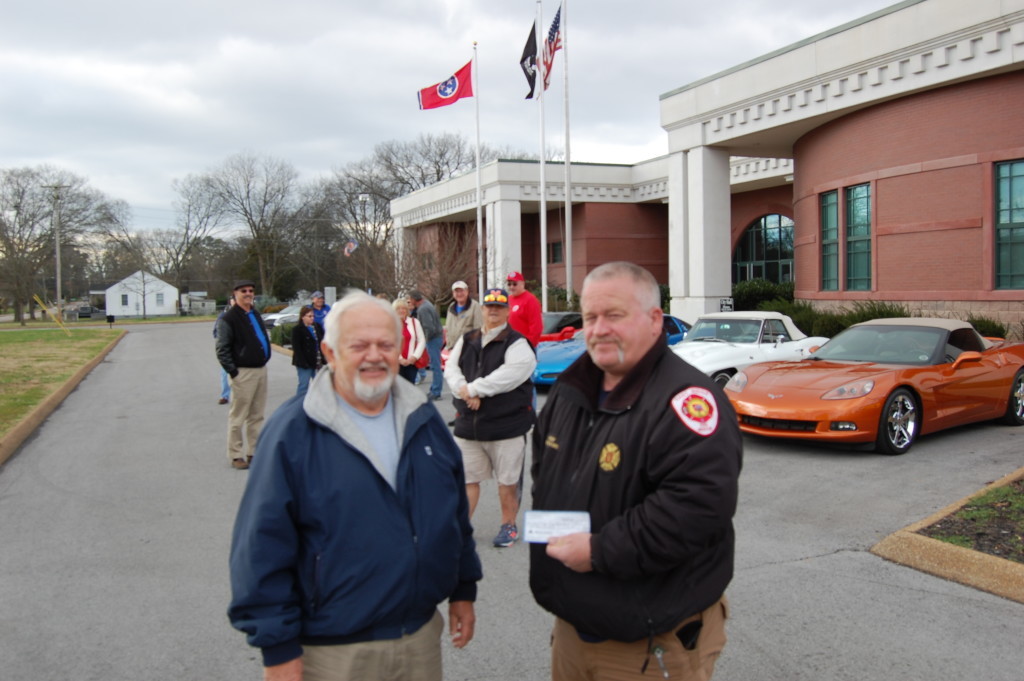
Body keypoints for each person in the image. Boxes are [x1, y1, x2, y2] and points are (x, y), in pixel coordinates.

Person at [228, 291, 481, 681]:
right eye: (358, 345)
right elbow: (261, 545)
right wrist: (277, 648)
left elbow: (453, 513)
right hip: (332, 650)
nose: (374, 355)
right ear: (330, 353)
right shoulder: (292, 432)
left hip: (419, 639)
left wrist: (464, 587)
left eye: (385, 344)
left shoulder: (423, 417)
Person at [529, 262, 743, 681]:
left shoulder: (688, 402)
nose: (599, 328)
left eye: (614, 315)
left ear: (653, 320)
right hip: (573, 628)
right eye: (590, 317)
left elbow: (696, 510)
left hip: (649, 641)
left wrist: (597, 551)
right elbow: (545, 470)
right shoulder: (570, 390)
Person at [444, 287, 536, 548]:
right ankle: (462, 528)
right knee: (467, 481)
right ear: (481, 309)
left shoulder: (517, 343)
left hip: (506, 426)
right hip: (469, 426)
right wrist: (464, 391)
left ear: (507, 310)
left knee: (507, 482)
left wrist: (474, 389)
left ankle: (509, 526)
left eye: (499, 306)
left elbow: (511, 376)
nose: (493, 310)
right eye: (489, 306)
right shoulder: (468, 339)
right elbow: (451, 369)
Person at [215, 280, 272, 470]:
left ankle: (253, 452)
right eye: (243, 291)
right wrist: (234, 372)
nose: (248, 293)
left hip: (260, 371)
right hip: (243, 373)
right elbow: (222, 349)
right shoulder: (228, 319)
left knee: (257, 416)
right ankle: (236, 454)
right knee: (238, 416)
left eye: (251, 290)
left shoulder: (254, 314)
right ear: (235, 293)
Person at [407, 290, 444, 400]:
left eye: (410, 299)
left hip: (433, 339)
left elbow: (429, 328)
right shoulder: (427, 304)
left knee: (435, 366)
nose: (409, 301)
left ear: (414, 299)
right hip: (436, 337)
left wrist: (424, 341)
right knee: (435, 365)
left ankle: (436, 391)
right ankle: (434, 389)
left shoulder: (423, 309)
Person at [290, 305, 324, 397]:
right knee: (304, 385)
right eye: (309, 316)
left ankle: (319, 404)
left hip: (317, 360)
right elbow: (297, 348)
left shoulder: (317, 327)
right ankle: (298, 404)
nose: (312, 318)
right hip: (304, 362)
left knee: (319, 384)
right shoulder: (297, 330)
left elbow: (321, 342)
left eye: (313, 316)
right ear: (303, 317)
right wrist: (303, 362)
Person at [506, 271, 543, 347]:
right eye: (509, 284)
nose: (511, 287)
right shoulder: (508, 300)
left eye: (514, 284)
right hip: (508, 344)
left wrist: (529, 344)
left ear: (522, 284)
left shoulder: (531, 300)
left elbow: (536, 326)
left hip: (524, 345)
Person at [394, 298, 426, 384]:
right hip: (395, 363)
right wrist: (400, 359)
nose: (401, 311)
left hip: (411, 363)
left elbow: (421, 340)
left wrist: (414, 357)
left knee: (410, 389)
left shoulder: (414, 322)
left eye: (403, 308)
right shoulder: (390, 324)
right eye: (398, 308)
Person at [444, 281, 483, 352]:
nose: (459, 294)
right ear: (453, 293)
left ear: (467, 291)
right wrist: (448, 344)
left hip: (467, 350)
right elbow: (448, 328)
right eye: (456, 291)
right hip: (452, 349)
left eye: (462, 291)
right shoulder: (451, 307)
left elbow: (478, 329)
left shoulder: (475, 306)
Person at [214, 296, 235, 404]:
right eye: (233, 301)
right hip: (228, 349)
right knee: (225, 373)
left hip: (240, 350)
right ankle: (225, 396)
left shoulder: (246, 315)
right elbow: (215, 332)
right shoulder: (223, 317)